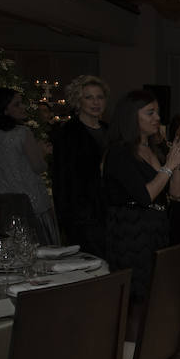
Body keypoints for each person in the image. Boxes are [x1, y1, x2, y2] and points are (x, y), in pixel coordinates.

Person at [104, 89, 180, 309]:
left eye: (158, 113)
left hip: (156, 229)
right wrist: (168, 166)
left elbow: (175, 192)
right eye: (150, 113)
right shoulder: (120, 153)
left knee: (157, 294)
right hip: (131, 233)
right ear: (131, 115)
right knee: (137, 298)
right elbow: (145, 195)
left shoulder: (154, 148)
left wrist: (178, 161)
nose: (157, 118)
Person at [53, 75, 110, 256]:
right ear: (78, 101)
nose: (95, 102)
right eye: (89, 97)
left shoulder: (110, 130)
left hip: (111, 210)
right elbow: (62, 178)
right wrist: (70, 218)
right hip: (83, 214)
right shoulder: (68, 133)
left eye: (99, 97)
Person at [0, 88, 58, 244]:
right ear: (4, 109)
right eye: (17, 104)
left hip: (4, 202)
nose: (23, 107)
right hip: (30, 203)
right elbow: (38, 166)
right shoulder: (22, 133)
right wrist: (43, 152)